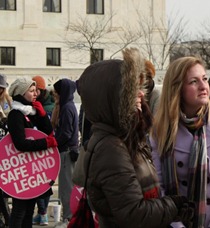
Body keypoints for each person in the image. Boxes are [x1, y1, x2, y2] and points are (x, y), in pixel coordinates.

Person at [77, 48, 194, 227]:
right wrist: (174, 206)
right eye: (131, 90)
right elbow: (133, 213)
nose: (141, 94)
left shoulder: (128, 138)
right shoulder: (111, 148)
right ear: (112, 97)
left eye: (141, 88)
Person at [150, 56, 210, 228]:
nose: (203, 86)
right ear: (177, 88)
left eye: (204, 79)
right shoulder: (160, 129)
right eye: (194, 81)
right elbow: (159, 185)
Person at [6, 77, 57, 228]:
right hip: (20, 171)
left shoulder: (31, 111)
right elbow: (20, 143)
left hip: (33, 168)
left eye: (36, 91)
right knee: (19, 211)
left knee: (29, 211)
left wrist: (41, 116)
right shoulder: (16, 114)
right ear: (21, 93)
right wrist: (45, 143)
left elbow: (47, 131)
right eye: (31, 91)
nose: (36, 94)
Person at [50, 78, 79, 226]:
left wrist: (54, 143)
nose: (55, 95)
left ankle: (68, 218)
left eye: (56, 92)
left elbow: (66, 133)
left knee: (66, 187)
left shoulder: (67, 108)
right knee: (66, 186)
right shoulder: (69, 106)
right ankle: (68, 216)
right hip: (68, 151)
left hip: (66, 152)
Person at [31, 75, 55, 226]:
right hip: (42, 146)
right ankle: (42, 213)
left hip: (46, 147)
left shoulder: (45, 107)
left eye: (35, 90)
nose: (33, 94)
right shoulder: (48, 104)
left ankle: (43, 213)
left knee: (42, 182)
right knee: (43, 182)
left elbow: (48, 128)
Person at [0, 74, 11, 228]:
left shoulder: (7, 101)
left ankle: (6, 217)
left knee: (4, 188)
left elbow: (9, 117)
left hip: (5, 151)